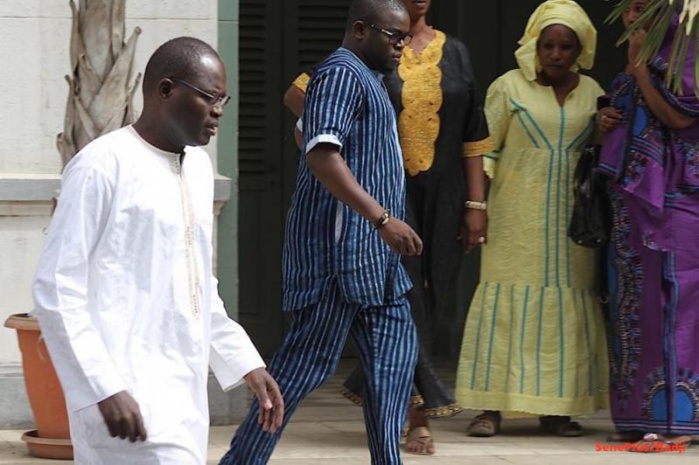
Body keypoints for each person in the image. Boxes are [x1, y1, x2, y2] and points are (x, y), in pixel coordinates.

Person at [32, 37, 284, 464]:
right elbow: (57, 287)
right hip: (124, 396)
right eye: (208, 96)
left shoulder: (199, 171)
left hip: (182, 395)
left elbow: (198, 282)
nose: (219, 109)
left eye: (223, 98)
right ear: (165, 90)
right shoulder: (102, 166)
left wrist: (245, 361)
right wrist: (102, 386)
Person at [220, 0, 422, 464]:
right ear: (359, 29)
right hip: (339, 261)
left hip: (376, 265)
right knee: (299, 371)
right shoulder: (340, 73)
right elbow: (320, 152)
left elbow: (307, 134)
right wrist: (383, 219)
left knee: (395, 361)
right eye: (395, 37)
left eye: (406, 38)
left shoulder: (368, 79)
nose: (402, 47)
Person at [454, 0, 609, 437]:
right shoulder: (507, 88)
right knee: (505, 308)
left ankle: (558, 408)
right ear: (535, 46)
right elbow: (482, 149)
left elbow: (599, 152)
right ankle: (489, 407)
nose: (556, 54)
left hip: (570, 225)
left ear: (579, 49)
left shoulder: (594, 91)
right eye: (548, 46)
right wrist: (477, 208)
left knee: (565, 307)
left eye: (566, 47)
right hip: (513, 218)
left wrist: (608, 125)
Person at [596, 0, 699, 449]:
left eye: (644, 6)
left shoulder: (687, 54)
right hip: (631, 209)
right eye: (629, 8)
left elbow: (680, 117)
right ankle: (636, 415)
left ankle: (674, 420)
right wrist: (604, 117)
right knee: (633, 310)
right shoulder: (642, 53)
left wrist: (639, 68)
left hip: (674, 201)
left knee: (673, 304)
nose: (633, 15)